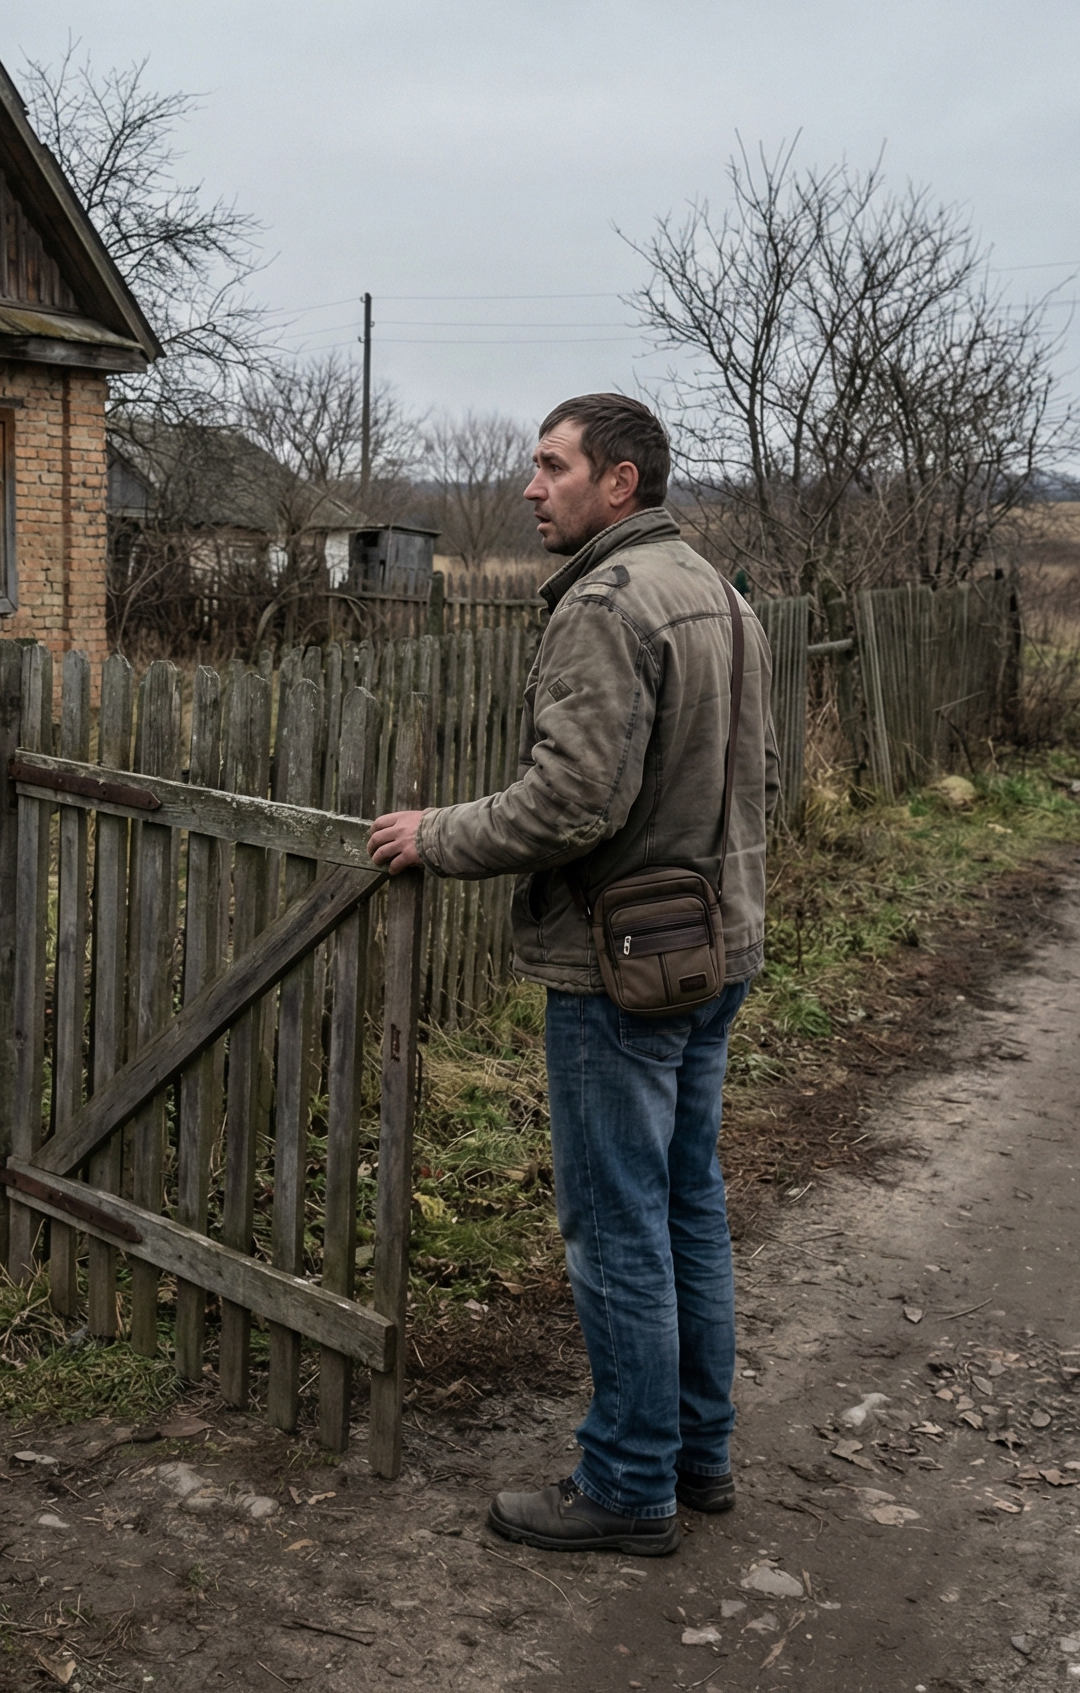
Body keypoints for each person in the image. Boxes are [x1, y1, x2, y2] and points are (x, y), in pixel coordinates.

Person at [368, 393, 776, 1555]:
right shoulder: (716, 590)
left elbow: (569, 800)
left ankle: (629, 1482)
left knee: (615, 1224)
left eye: (551, 467)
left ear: (620, 483)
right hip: (716, 941)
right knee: (685, 1201)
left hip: (624, 965)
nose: (529, 486)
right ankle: (697, 1456)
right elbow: (753, 774)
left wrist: (434, 832)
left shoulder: (605, 601)